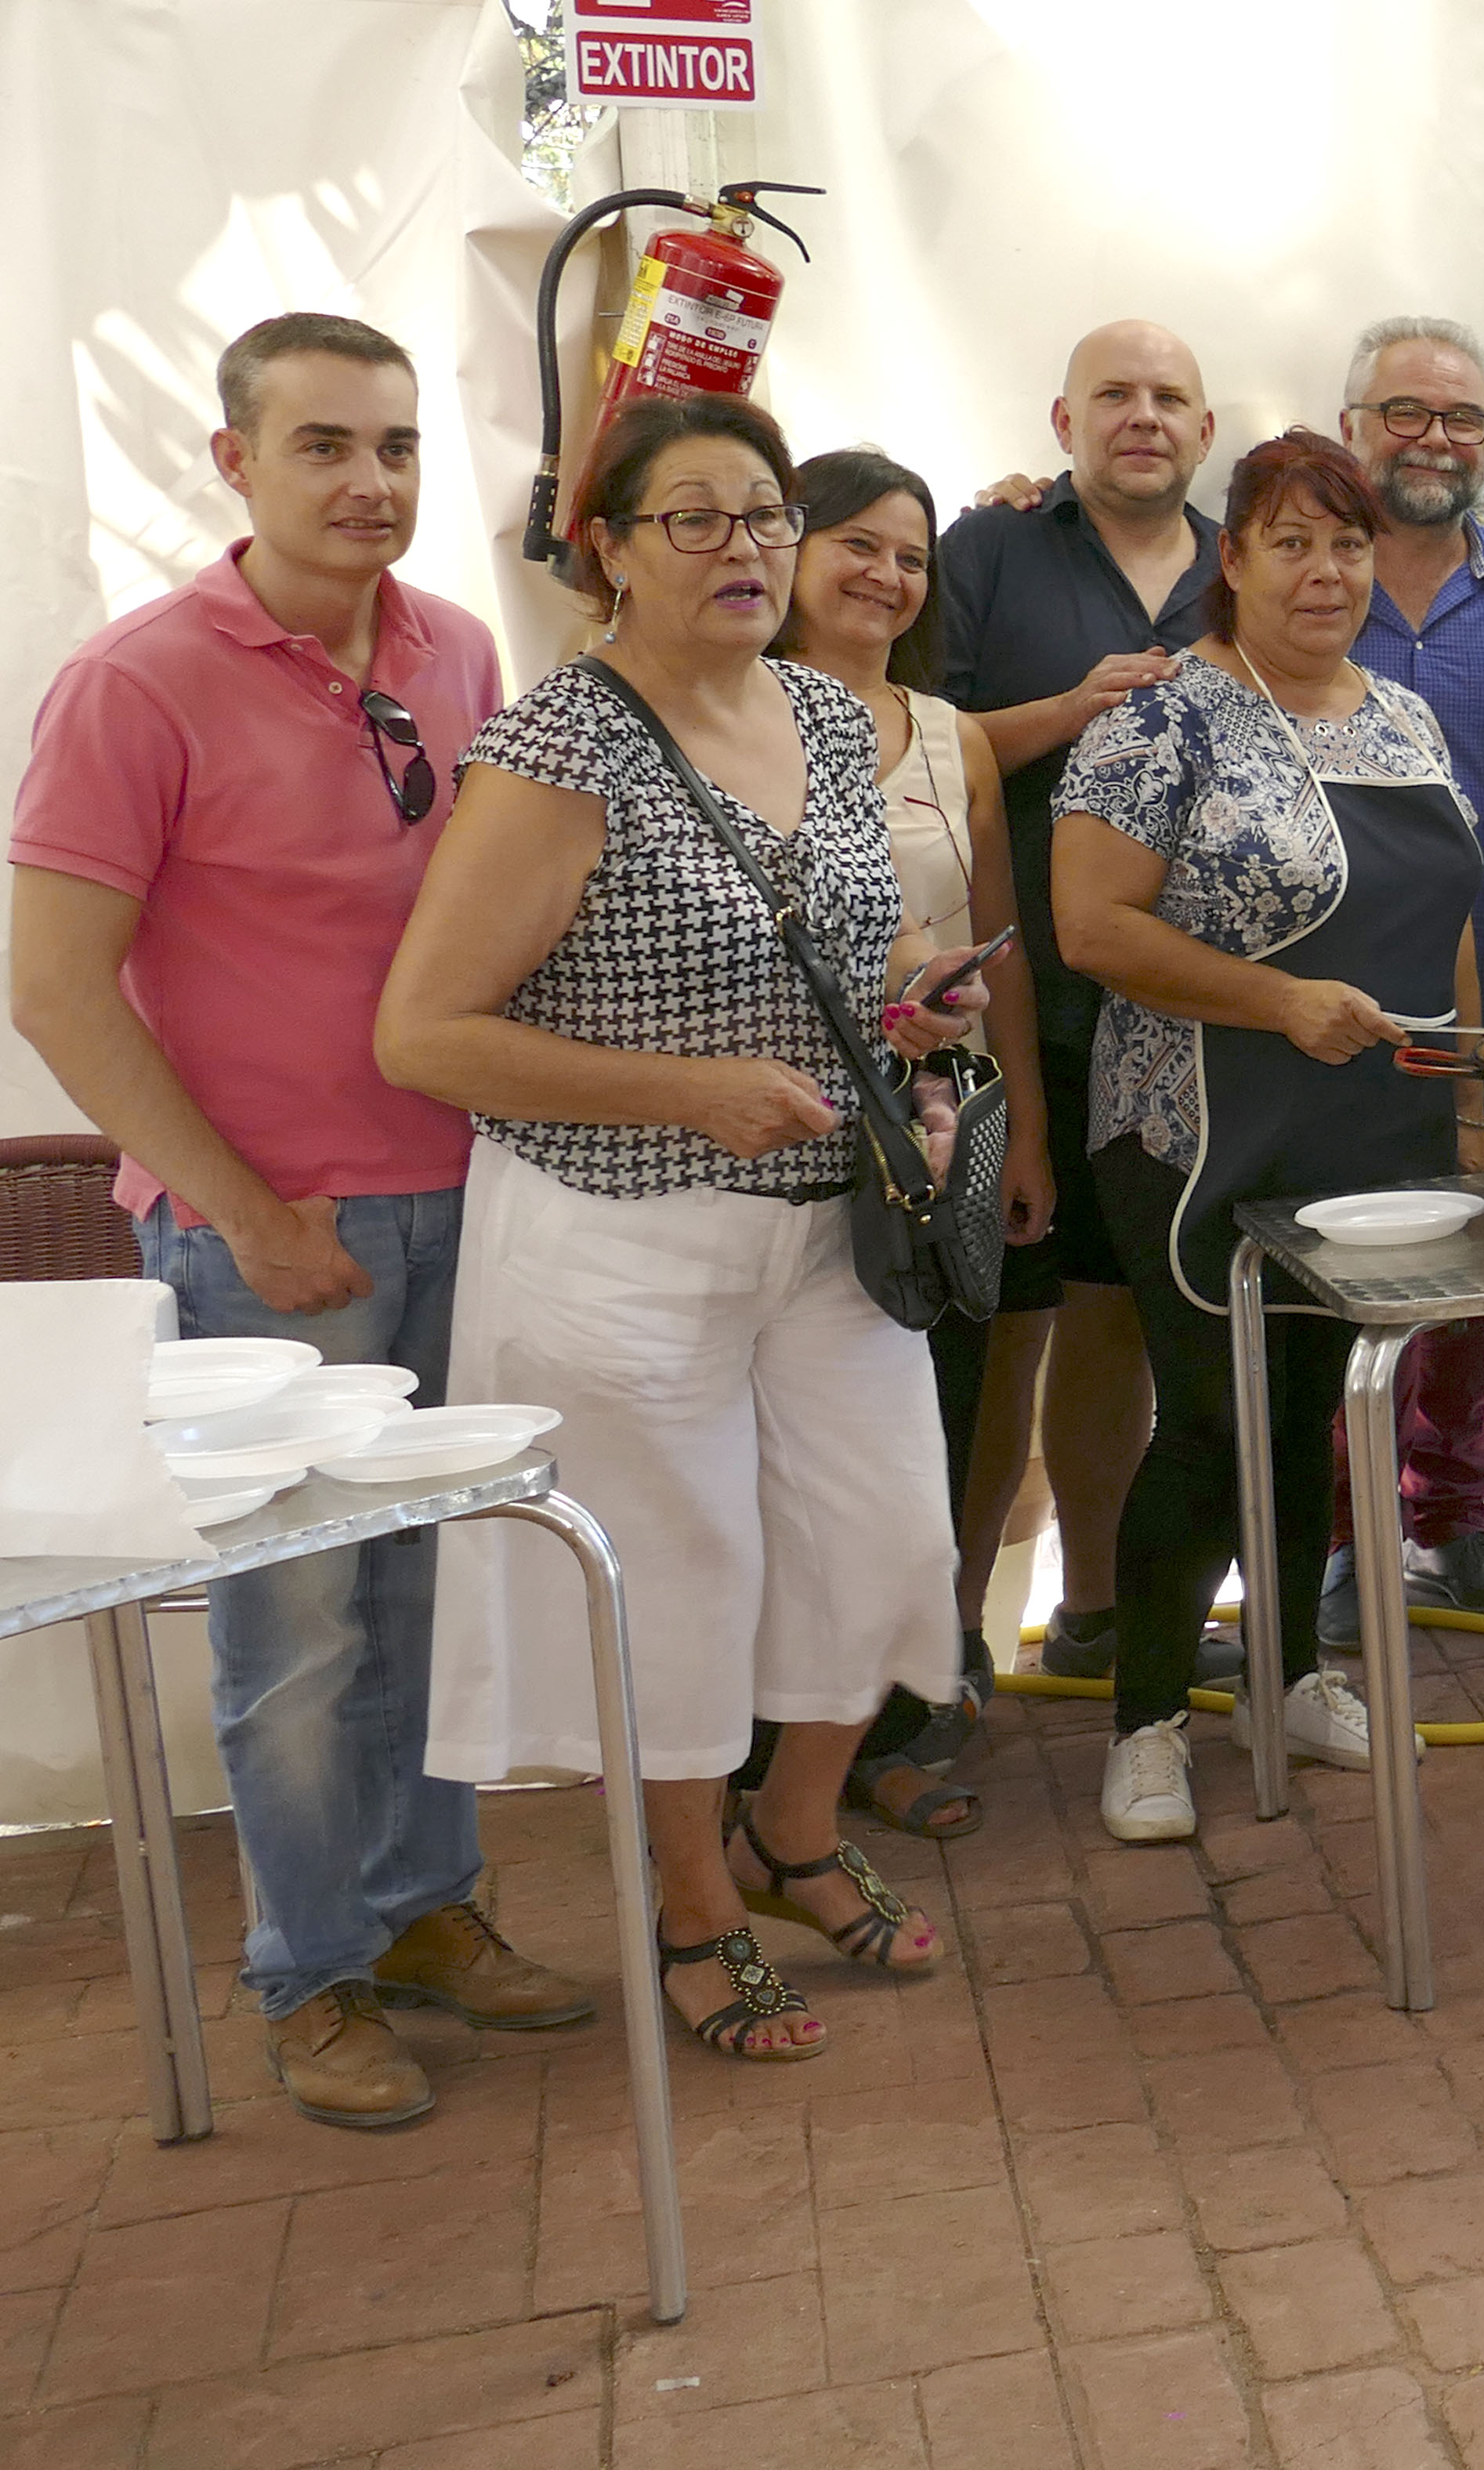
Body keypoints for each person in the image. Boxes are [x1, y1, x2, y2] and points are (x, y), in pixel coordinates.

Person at [9, 312, 592, 2128]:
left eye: (397, 446)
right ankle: (310, 1972)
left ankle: (425, 1910)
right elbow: (55, 987)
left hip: (466, 1204)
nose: (369, 481)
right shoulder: (136, 682)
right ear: (234, 461)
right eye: (325, 444)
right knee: (300, 1630)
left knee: (431, 1591)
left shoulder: (460, 649)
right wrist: (247, 1213)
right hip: (268, 1244)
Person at [382, 390, 974, 2062]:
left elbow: (834, 949)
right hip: (618, 1235)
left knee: (882, 1542)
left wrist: (904, 1021)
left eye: (767, 515)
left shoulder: (826, 714)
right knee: (681, 1575)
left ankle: (794, 1831)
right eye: (695, 518)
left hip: (828, 1222)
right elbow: (423, 1035)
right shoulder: (559, 746)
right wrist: (688, 1091)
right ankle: (695, 1904)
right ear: (609, 552)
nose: (744, 549)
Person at [1051, 429, 1484, 1843]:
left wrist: (1468, 1100)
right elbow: (1090, 926)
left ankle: (1294, 1677)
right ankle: (1147, 1722)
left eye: (1348, 544)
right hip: (1197, 1126)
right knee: (1211, 1421)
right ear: (1231, 559)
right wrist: (1278, 1001)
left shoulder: (1404, 717)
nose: (1325, 573)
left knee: (1313, 1415)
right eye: (1291, 543)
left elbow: (1451, 920)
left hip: (1373, 1124)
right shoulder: (1162, 719)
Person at [770, 447, 1060, 1834]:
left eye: (910, 557)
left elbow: (1001, 953)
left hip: (936, 1142)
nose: (886, 576)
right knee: (781, 1459)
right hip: (773, 1131)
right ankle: (760, 1763)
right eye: (858, 545)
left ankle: (890, 1732)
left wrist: (1026, 1139)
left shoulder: (954, 737)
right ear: (786, 547)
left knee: (921, 1437)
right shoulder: (719, 710)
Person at [925, 321, 1217, 1686]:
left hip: (1185, 1024)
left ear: (1205, 431)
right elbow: (904, 744)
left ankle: (1094, 1612)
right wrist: (1072, 709)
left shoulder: (1246, 565)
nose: (1141, 417)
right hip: (1012, 1014)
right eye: (1115, 395)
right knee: (995, 1335)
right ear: (1063, 421)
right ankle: (949, 1639)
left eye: (1169, 398)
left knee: (1120, 1319)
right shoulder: (987, 549)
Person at [1323, 314, 1484, 1639]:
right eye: (1405, 412)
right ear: (1351, 425)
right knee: (1354, 1277)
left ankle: (1454, 1515)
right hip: (1327, 1007)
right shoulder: (1295, 572)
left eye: (1462, 418)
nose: (1433, 439)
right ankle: (1342, 1535)